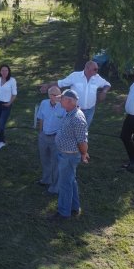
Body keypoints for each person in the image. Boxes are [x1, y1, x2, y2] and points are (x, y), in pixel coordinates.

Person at [51, 89, 89, 221]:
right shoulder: (69, 112)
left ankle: (63, 212)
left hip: (69, 156)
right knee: (71, 181)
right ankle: (74, 207)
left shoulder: (77, 118)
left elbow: (82, 141)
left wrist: (84, 154)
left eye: (62, 99)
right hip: (66, 154)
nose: (60, 100)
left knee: (65, 184)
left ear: (69, 101)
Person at [40, 61, 111, 128]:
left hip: (90, 111)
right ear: (87, 68)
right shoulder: (75, 76)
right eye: (95, 69)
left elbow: (107, 84)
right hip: (74, 110)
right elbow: (60, 83)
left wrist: (104, 92)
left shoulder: (97, 78)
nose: (97, 71)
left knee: (84, 129)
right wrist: (48, 85)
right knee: (71, 129)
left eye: (97, 69)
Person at [36, 86, 65, 194]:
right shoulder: (44, 103)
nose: (57, 97)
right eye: (53, 95)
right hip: (44, 136)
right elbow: (41, 118)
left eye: (58, 95)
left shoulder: (63, 106)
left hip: (56, 138)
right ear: (49, 96)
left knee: (56, 163)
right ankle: (46, 179)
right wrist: (40, 133)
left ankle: (55, 187)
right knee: (44, 159)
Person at [0, 64, 17, 149]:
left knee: (2, 124)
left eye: (6, 70)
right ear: (0, 71)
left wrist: (9, 103)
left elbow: (14, 94)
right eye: (2, 70)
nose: (4, 72)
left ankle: (2, 141)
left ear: (9, 71)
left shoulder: (12, 80)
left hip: (6, 104)